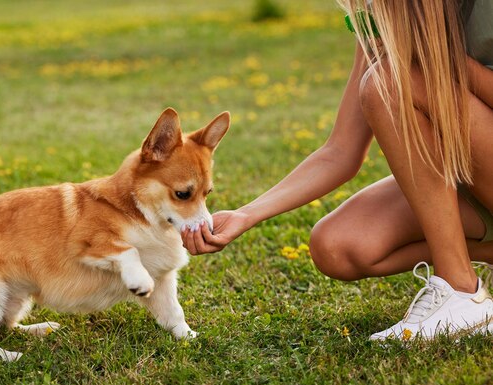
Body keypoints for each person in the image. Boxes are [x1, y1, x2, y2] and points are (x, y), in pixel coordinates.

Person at [182, 0, 493, 341]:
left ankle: (462, 291)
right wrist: (246, 214)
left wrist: (443, 63)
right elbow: (340, 152)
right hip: (472, 177)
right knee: (337, 247)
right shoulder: (388, 13)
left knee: (389, 81)